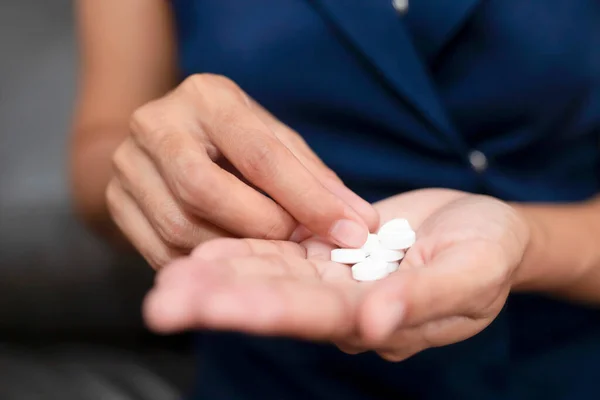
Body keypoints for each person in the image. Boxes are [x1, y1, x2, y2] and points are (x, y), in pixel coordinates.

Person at [69, 0, 600, 399]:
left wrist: (529, 241)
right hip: (280, 367)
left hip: (564, 366)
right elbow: (99, 152)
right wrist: (161, 170)